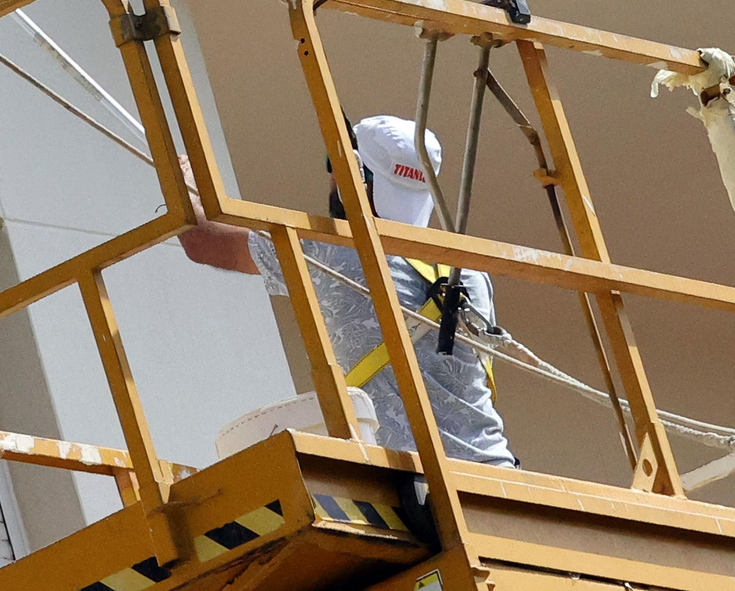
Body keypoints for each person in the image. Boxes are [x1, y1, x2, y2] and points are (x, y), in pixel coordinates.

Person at [178, 114, 516, 467]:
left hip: (417, 482)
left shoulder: (337, 253)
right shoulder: (469, 272)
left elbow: (204, 240)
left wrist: (183, 178)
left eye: (334, 163)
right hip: (497, 474)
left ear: (355, 177)